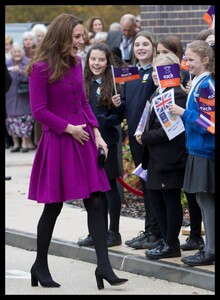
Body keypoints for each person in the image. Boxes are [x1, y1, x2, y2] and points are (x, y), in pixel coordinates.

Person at [26, 13, 128, 289]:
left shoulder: (75, 62)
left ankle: (104, 268)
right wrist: (69, 129)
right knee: (53, 206)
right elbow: (39, 111)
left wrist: (96, 133)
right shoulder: (40, 67)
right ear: (62, 36)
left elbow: (83, 102)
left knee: (97, 201)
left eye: (82, 36)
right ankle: (40, 265)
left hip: (83, 141)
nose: (82, 41)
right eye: (77, 37)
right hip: (58, 142)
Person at [112, 30, 162, 250]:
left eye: (146, 44)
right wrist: (118, 103)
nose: (141, 48)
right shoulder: (130, 73)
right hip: (134, 137)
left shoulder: (156, 73)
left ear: (153, 47)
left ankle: (155, 232)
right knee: (145, 183)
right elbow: (127, 104)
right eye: (137, 45)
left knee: (153, 184)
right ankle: (149, 229)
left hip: (151, 138)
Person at [137, 53, 188, 259]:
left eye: (162, 70)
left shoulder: (177, 94)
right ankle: (164, 241)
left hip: (170, 158)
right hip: (155, 158)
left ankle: (171, 244)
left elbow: (172, 129)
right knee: (156, 199)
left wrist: (145, 137)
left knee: (169, 199)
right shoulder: (156, 93)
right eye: (155, 70)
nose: (157, 75)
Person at [156, 34, 205, 251]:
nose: (162, 58)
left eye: (166, 53)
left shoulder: (189, 83)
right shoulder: (167, 86)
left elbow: (202, 119)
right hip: (186, 148)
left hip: (189, 148)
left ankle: (197, 236)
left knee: (194, 196)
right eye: (159, 53)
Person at [169, 40, 215, 266]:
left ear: (206, 60)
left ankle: (210, 250)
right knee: (201, 198)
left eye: (192, 60)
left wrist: (183, 112)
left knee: (206, 200)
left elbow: (210, 123)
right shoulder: (198, 82)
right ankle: (209, 248)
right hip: (197, 148)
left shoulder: (207, 85)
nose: (187, 63)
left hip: (204, 150)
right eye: (185, 59)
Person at [78, 43, 124, 248]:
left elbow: (118, 118)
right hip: (86, 142)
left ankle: (113, 232)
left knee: (110, 187)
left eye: (101, 60)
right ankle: (95, 232)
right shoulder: (81, 83)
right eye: (93, 59)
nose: (96, 63)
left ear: (108, 63)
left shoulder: (114, 85)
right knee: (91, 189)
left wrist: (116, 107)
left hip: (108, 143)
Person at [6, 43, 35, 152]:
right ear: (11, 53)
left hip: (24, 96)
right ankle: (16, 144)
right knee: (12, 120)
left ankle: (24, 144)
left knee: (24, 120)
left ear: (22, 53)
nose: (17, 54)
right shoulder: (7, 63)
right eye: (15, 52)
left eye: (19, 52)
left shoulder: (27, 62)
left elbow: (32, 77)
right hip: (10, 95)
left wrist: (21, 71)